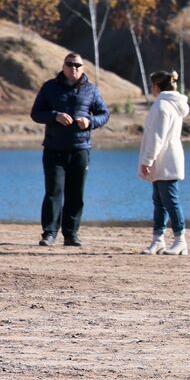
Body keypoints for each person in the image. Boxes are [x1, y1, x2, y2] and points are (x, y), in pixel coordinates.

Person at [29, 52, 110, 247]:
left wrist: (89, 121)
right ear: (63, 67)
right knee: (53, 192)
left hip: (80, 149)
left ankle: (71, 234)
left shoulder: (91, 90)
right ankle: (49, 233)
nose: (73, 68)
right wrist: (54, 115)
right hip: (53, 149)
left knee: (76, 194)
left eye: (77, 65)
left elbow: (104, 114)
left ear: (83, 68)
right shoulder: (49, 87)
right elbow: (36, 113)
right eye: (70, 64)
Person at [137, 70, 190, 255]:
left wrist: (147, 160)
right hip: (166, 157)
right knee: (159, 200)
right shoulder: (169, 104)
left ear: (156, 87)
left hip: (165, 159)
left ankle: (180, 239)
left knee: (170, 201)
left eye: (151, 85)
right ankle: (158, 239)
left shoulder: (162, 106)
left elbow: (156, 138)